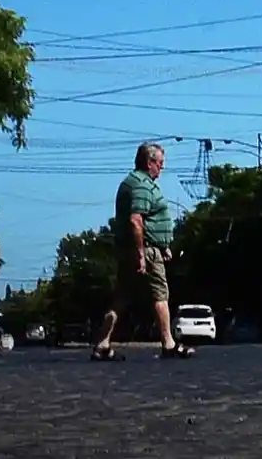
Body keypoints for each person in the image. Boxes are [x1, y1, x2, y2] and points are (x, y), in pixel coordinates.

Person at [91, 142, 195, 360]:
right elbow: (136, 221)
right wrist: (142, 254)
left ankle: (102, 343)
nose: (162, 168)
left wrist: (163, 245)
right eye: (159, 163)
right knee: (160, 295)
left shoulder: (135, 182)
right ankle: (168, 343)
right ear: (149, 163)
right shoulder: (141, 186)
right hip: (145, 251)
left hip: (139, 248)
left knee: (121, 298)